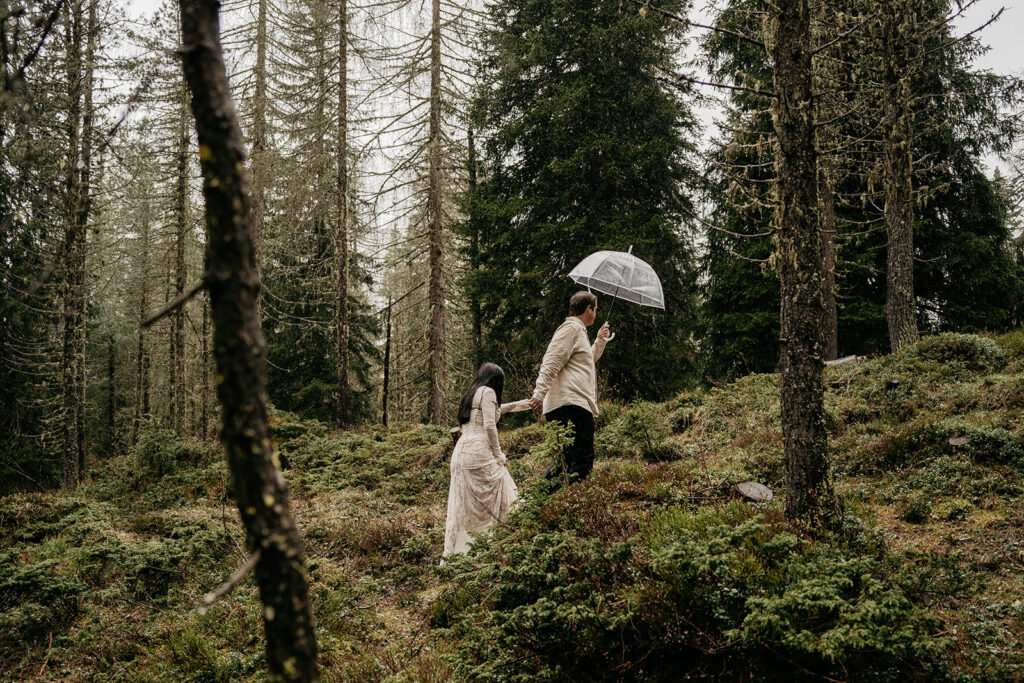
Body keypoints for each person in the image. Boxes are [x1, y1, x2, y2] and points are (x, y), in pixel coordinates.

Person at [443, 363, 530, 557]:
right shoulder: (489, 392)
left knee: (463, 504)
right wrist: (499, 454)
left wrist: (523, 404)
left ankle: (461, 552)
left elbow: (496, 411)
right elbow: (490, 425)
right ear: (495, 380)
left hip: (460, 454)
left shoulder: (472, 393)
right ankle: (498, 542)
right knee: (501, 488)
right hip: (478, 452)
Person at [528, 291, 611, 487]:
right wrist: (539, 393)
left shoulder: (578, 331)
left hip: (572, 403)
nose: (596, 313)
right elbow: (552, 360)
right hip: (570, 404)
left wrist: (599, 341)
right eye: (596, 309)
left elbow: (585, 361)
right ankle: (572, 505)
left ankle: (540, 502)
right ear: (588, 309)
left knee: (567, 460)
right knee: (581, 459)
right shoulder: (571, 329)